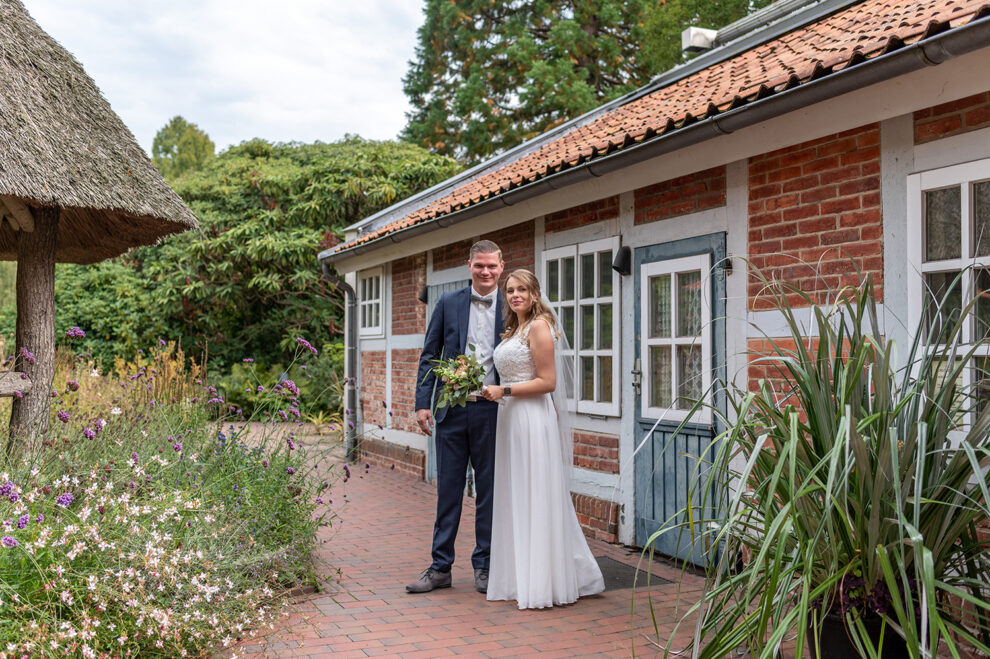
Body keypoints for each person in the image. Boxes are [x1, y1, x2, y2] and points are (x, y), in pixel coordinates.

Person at [482, 269, 605, 609]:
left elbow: (548, 382)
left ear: (535, 294)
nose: (515, 295)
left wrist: (503, 389)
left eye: (522, 289)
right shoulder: (514, 329)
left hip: (532, 417)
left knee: (535, 491)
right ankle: (518, 577)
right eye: (510, 290)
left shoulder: (538, 327)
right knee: (516, 493)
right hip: (510, 418)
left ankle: (543, 580)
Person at [407, 240, 505, 594]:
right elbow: (430, 354)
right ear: (469, 266)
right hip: (452, 410)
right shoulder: (448, 303)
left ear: (501, 266)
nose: (485, 271)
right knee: (447, 490)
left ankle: (485, 565)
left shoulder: (513, 305)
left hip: (494, 413)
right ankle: (440, 568)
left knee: (488, 493)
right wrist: (423, 403)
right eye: (479, 265)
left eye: (491, 266)